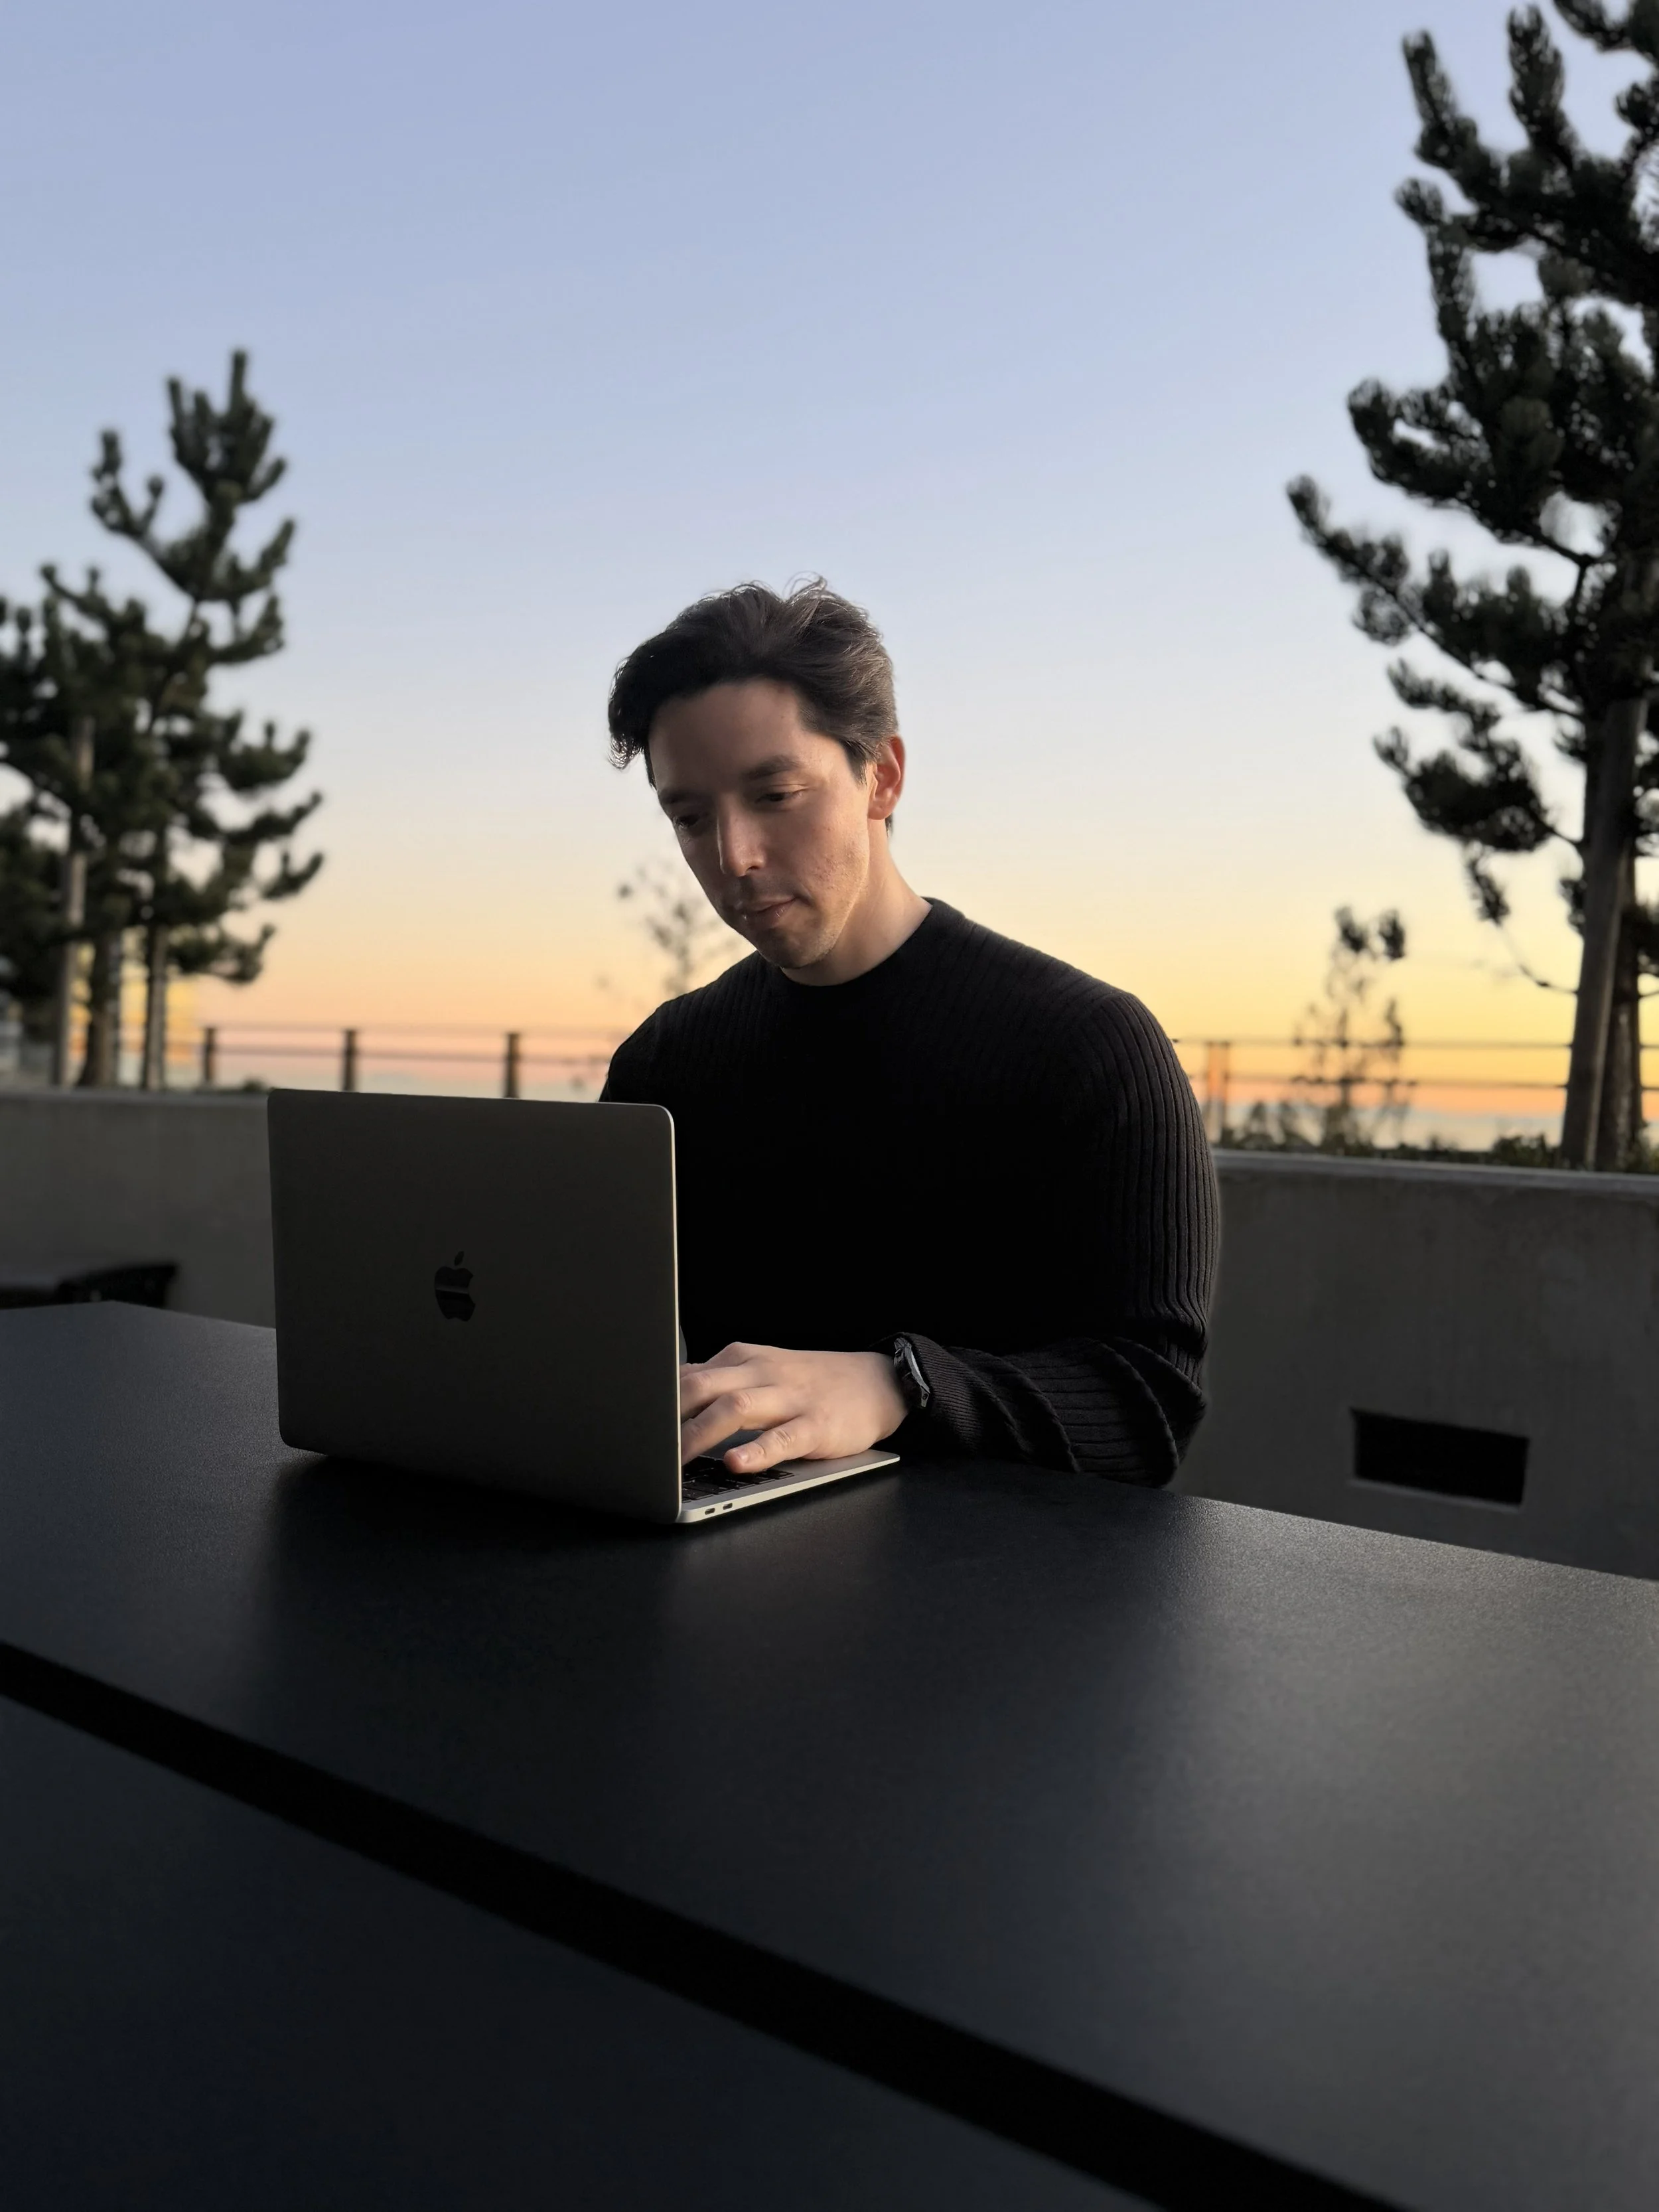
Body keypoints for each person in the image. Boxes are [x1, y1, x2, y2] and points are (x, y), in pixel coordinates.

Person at [600, 580, 1218, 1487]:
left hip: (998, 1603)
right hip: (720, 1587)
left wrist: (898, 1387)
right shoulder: (668, 1063)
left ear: (882, 776)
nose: (732, 857)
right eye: (690, 818)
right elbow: (598, 1354)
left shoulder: (1092, 1049)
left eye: (776, 794)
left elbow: (1148, 1407)